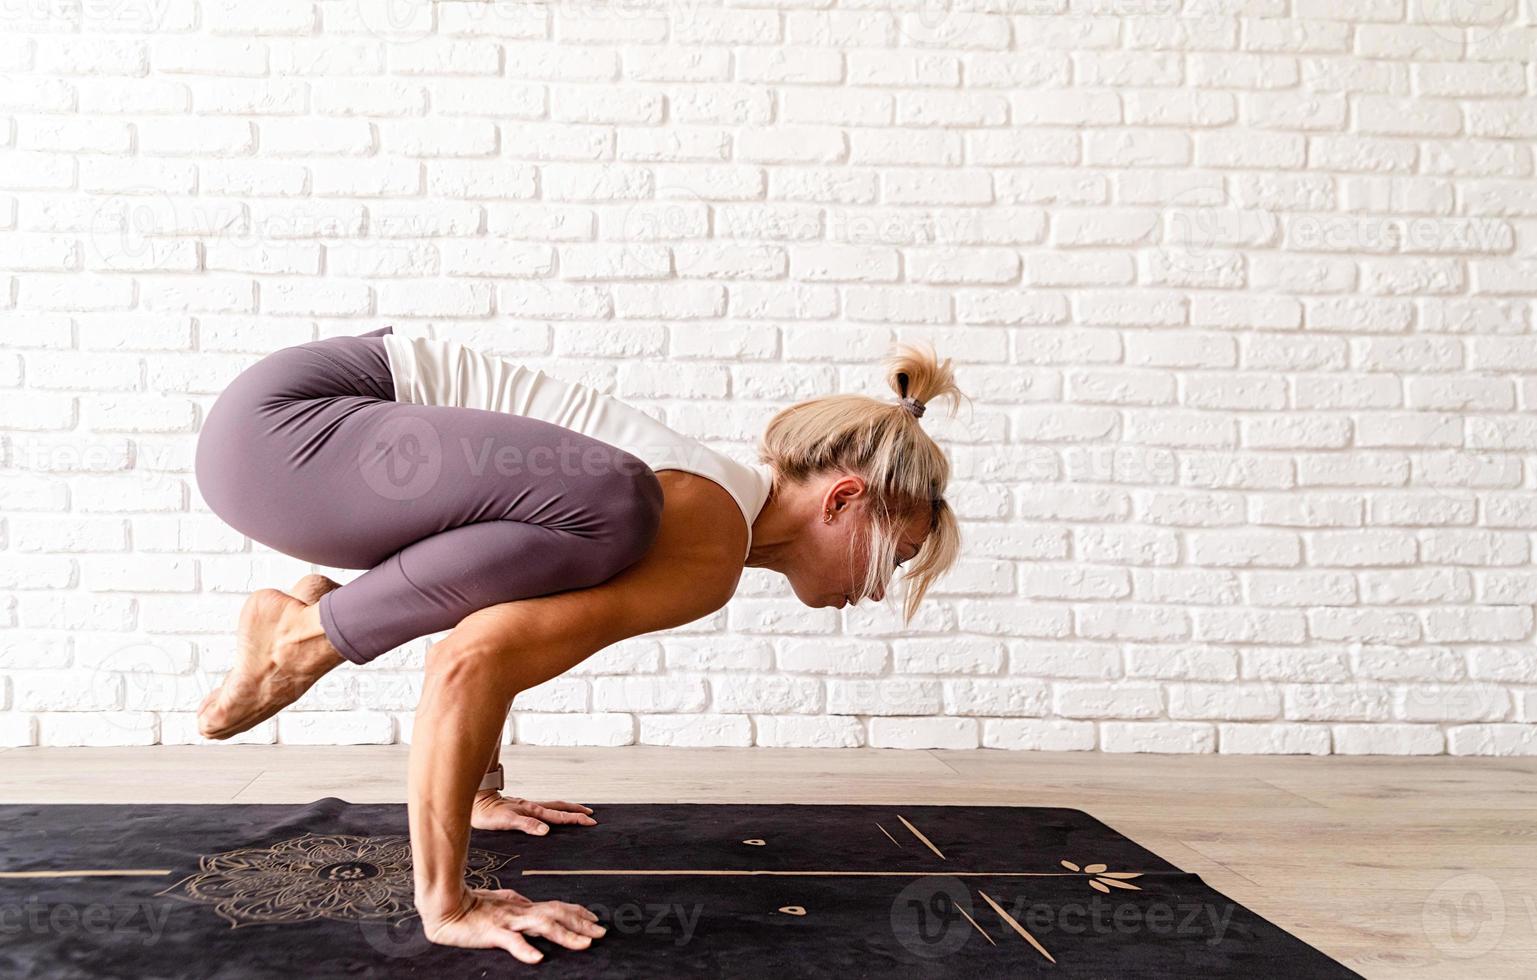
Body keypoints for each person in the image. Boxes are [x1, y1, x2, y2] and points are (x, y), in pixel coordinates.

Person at [191, 324, 965, 961]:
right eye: (893, 557)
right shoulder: (706, 531)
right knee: (614, 497)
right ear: (842, 500)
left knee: (600, 507)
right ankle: (302, 638)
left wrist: (479, 788)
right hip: (293, 434)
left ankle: (311, 624)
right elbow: (467, 662)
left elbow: (492, 632)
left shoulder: (704, 514)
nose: (876, 590)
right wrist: (448, 903)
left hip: (287, 443)